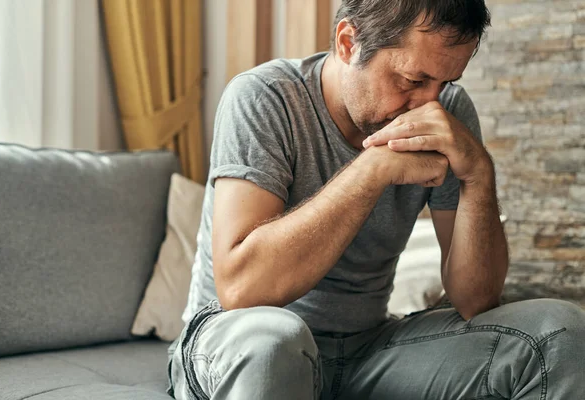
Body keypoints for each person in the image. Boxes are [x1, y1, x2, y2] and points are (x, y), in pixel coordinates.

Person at [168, 1, 585, 399]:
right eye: (412, 80)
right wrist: (373, 168)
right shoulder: (264, 98)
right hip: (237, 341)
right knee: (276, 342)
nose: (429, 105)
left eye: (446, 83)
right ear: (348, 42)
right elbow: (241, 289)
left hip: (366, 349)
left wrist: (479, 172)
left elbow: (476, 300)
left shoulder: (447, 112)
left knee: (559, 333)